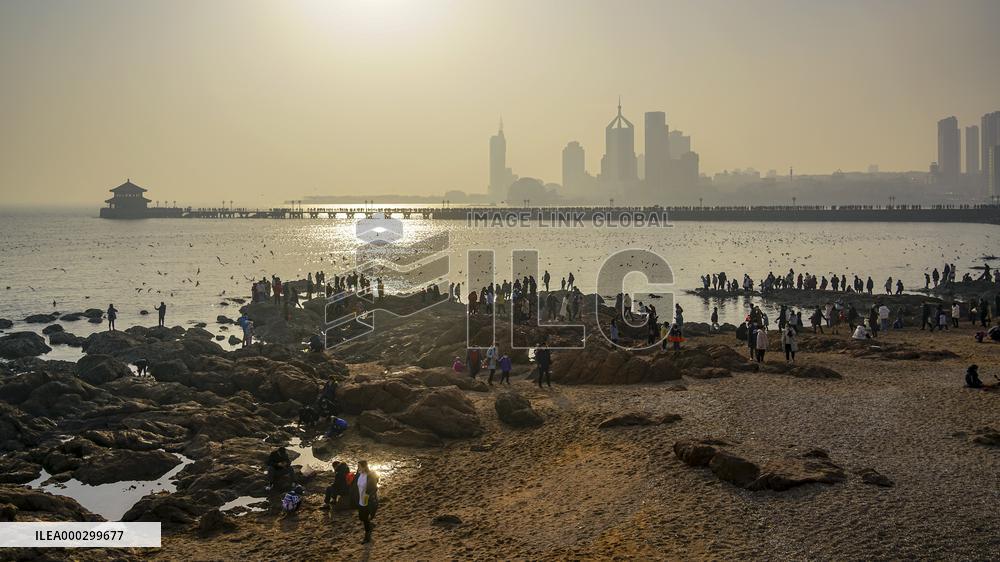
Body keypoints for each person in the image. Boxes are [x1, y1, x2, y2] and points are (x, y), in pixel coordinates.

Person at [351, 460, 379, 544]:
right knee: (362, 518)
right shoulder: (359, 474)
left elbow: (374, 488)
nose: (358, 468)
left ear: (364, 467)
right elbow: (354, 485)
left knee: (365, 518)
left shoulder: (370, 475)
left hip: (367, 500)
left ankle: (367, 536)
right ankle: (370, 526)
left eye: (359, 466)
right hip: (360, 499)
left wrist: (368, 495)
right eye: (357, 466)